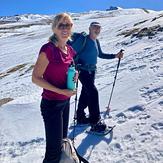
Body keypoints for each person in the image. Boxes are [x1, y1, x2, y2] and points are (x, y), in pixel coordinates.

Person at [32, 13, 76, 163]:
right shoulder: (48, 49)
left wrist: (73, 78)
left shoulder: (69, 50)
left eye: (68, 25)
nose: (65, 28)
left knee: (62, 143)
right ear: (54, 28)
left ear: (72, 28)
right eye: (61, 25)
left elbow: (65, 72)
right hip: (51, 105)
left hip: (65, 103)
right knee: (53, 151)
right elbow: (36, 78)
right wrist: (61, 91)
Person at [68, 22, 124, 133]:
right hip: (83, 70)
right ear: (89, 28)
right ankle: (95, 122)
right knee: (93, 92)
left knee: (86, 93)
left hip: (92, 71)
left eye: (99, 28)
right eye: (95, 27)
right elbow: (71, 52)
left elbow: (101, 54)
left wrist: (115, 56)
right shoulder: (83, 39)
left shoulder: (96, 41)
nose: (97, 30)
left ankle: (80, 117)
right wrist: (76, 64)